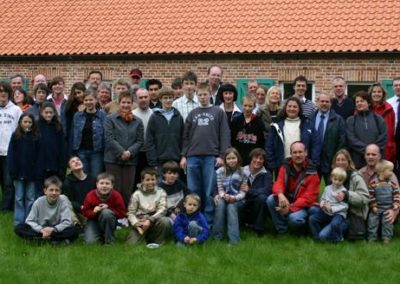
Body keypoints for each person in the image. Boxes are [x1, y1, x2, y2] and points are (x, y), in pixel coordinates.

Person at [181, 82, 231, 225]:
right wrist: (184, 155)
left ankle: (208, 221)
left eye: (205, 94)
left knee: (209, 191)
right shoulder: (193, 114)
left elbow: (225, 135)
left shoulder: (218, 112)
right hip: (192, 157)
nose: (202, 97)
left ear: (210, 95)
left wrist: (222, 156)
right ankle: (194, 219)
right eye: (200, 94)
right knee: (193, 190)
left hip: (211, 157)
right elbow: (185, 136)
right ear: (197, 96)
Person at [266, 141, 320, 234]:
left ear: (306, 153)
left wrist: (290, 208)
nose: (298, 155)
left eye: (300, 152)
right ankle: (282, 229)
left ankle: (304, 229)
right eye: (295, 152)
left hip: (304, 206)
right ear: (290, 154)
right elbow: (279, 182)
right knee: (270, 199)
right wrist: (280, 194)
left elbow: (309, 198)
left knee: (294, 219)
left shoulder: (312, 172)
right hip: (287, 200)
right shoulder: (285, 166)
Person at [319, 149, 369, 240]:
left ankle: (337, 233)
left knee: (323, 236)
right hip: (332, 211)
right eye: (338, 160)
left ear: (348, 162)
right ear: (334, 162)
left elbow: (364, 198)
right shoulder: (333, 176)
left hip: (349, 215)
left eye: (343, 160)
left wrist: (347, 195)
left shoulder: (356, 177)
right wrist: (325, 204)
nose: (340, 162)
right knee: (313, 212)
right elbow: (327, 195)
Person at [104, 91, 144, 206]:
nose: (126, 105)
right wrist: (121, 152)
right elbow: (109, 138)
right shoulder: (110, 119)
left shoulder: (138, 121)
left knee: (127, 190)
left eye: (128, 102)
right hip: (112, 160)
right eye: (123, 102)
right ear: (119, 103)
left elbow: (140, 141)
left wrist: (129, 152)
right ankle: (114, 215)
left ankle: (126, 216)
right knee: (114, 188)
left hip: (130, 160)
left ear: (132, 104)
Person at [14, 176, 80, 244]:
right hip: (41, 229)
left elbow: (67, 221)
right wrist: (41, 229)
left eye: (57, 190)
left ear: (60, 191)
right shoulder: (39, 202)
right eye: (51, 190)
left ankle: (41, 240)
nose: (54, 193)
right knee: (19, 227)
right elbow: (29, 220)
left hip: (56, 230)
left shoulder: (63, 201)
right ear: (45, 191)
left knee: (74, 230)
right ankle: (54, 240)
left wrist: (53, 229)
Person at [265, 96, 317, 175]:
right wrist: (273, 164)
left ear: (299, 109)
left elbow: (315, 145)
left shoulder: (308, 126)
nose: (292, 109)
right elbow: (269, 147)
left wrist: (311, 163)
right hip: (281, 166)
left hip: (302, 166)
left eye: (295, 107)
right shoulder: (276, 126)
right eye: (289, 106)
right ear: (285, 108)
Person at [7, 113, 40, 226]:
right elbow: (11, 155)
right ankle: (18, 222)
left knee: (31, 198)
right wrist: (12, 171)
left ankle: (29, 222)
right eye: (25, 122)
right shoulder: (15, 136)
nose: (27, 124)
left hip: (32, 174)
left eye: (30, 122)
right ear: (20, 122)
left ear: (33, 124)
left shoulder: (36, 137)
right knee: (19, 198)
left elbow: (39, 156)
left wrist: (37, 171)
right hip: (18, 173)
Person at [127, 168, 171, 245]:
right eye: (147, 180)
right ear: (142, 180)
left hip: (155, 220)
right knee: (131, 245)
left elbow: (163, 209)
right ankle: (144, 237)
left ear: (156, 180)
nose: (150, 182)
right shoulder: (136, 194)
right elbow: (131, 213)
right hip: (141, 222)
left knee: (165, 221)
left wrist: (150, 220)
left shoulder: (161, 192)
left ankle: (158, 242)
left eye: (153, 179)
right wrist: (137, 224)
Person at [213, 148, 248, 244]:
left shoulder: (243, 172)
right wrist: (224, 196)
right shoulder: (220, 171)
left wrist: (234, 198)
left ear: (238, 158)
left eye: (233, 158)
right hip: (224, 196)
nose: (231, 160)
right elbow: (220, 189)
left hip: (238, 199)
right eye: (228, 158)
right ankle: (217, 237)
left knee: (231, 207)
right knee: (220, 205)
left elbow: (243, 192)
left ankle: (234, 240)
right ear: (225, 160)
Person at [346, 91, 387, 169]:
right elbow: (351, 139)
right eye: (357, 102)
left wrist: (373, 152)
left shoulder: (378, 119)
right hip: (358, 160)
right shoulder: (351, 120)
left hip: (377, 161)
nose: (359, 103)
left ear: (368, 103)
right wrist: (367, 151)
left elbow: (383, 136)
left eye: (362, 101)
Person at [81, 172, 126, 244]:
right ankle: (100, 235)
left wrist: (109, 209)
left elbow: (122, 213)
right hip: (93, 221)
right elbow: (85, 212)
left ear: (112, 186)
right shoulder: (90, 195)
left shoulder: (116, 195)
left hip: (109, 220)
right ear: (97, 184)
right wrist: (94, 212)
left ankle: (109, 241)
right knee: (90, 242)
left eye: (107, 183)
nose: (104, 186)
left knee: (106, 213)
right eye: (101, 183)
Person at [146, 87, 184, 171]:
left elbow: (183, 139)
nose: (168, 100)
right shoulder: (154, 117)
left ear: (173, 98)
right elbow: (150, 141)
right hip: (159, 161)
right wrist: (153, 162)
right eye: (165, 98)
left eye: (170, 98)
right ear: (160, 99)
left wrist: (182, 157)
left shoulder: (178, 117)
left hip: (176, 160)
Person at [310, 93, 346, 183]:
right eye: (322, 101)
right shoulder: (310, 119)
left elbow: (342, 141)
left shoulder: (338, 120)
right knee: (311, 190)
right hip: (313, 161)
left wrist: (336, 159)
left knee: (332, 189)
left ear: (330, 104)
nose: (324, 104)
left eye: (327, 102)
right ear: (317, 103)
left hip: (330, 161)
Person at [71, 89, 106, 178]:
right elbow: (74, 133)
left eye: (91, 100)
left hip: (97, 152)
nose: (88, 102)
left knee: (96, 176)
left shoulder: (103, 115)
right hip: (81, 151)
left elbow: (105, 134)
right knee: (83, 176)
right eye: (86, 100)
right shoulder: (77, 116)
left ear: (96, 100)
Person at [309, 167, 349, 242]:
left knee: (334, 224)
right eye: (335, 179)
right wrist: (322, 205)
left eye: (340, 180)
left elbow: (345, 206)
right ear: (331, 178)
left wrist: (331, 208)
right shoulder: (327, 188)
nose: (337, 182)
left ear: (343, 181)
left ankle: (338, 238)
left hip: (338, 213)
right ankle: (317, 238)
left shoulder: (343, 191)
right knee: (312, 219)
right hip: (326, 211)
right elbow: (322, 198)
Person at [0, 82, 22, 211]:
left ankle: (6, 208)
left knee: (9, 182)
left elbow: (20, 130)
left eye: (5, 91)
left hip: (10, 152)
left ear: (9, 94)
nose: (2, 93)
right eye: (0, 91)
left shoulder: (16, 110)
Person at [241, 148, 273, 236]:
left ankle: (258, 229)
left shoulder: (266, 174)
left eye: (261, 159)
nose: (258, 161)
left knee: (262, 198)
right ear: (251, 158)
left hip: (257, 205)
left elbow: (267, 190)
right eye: (256, 157)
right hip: (243, 202)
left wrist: (250, 191)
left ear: (264, 161)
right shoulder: (241, 171)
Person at [367, 160, 400, 244]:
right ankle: (372, 237)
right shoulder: (373, 183)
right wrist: (373, 205)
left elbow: (396, 194)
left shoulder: (392, 184)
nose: (392, 173)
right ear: (382, 171)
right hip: (376, 207)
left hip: (388, 207)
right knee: (372, 222)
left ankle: (386, 238)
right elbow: (371, 195)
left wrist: (396, 204)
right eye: (390, 170)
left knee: (387, 223)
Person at [62, 156, 96, 227]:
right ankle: (77, 225)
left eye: (78, 160)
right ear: (70, 168)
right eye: (73, 162)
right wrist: (82, 207)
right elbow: (70, 201)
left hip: (91, 210)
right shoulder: (68, 182)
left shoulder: (92, 178)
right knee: (63, 198)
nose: (76, 162)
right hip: (77, 212)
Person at [231, 96, 265, 165]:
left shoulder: (259, 122)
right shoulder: (236, 120)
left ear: (254, 106)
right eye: (245, 105)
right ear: (242, 105)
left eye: (250, 106)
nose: (247, 108)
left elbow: (261, 141)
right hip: (238, 156)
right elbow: (232, 139)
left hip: (253, 158)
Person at [37, 102, 66, 181]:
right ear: (41, 113)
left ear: (54, 113)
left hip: (54, 162)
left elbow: (62, 146)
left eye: (51, 112)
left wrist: (62, 163)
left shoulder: (58, 126)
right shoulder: (37, 126)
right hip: (40, 162)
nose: (48, 115)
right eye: (46, 112)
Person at [370, 82, 396, 164]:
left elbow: (391, 132)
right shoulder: (366, 109)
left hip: (386, 150)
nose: (376, 94)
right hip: (369, 151)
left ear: (383, 94)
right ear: (370, 94)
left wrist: (391, 147)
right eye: (374, 92)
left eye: (379, 92)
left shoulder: (389, 110)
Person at [132, 88, 153, 188]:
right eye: (141, 97)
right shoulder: (131, 115)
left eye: (145, 97)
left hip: (150, 153)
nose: (143, 99)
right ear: (136, 99)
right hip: (136, 154)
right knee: (136, 180)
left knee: (150, 181)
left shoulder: (155, 114)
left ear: (149, 98)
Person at [387, 77, 400, 177]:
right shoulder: (388, 103)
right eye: (396, 85)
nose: (398, 87)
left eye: (399, 85)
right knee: (392, 166)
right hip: (393, 139)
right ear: (392, 87)